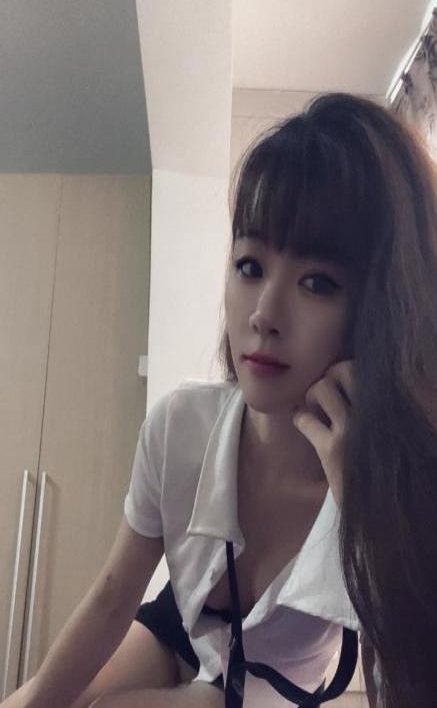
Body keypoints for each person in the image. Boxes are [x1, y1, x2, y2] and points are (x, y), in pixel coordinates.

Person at [3, 91, 436, 708]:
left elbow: (409, 679)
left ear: (383, 311)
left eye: (317, 282)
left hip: (266, 684)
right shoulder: (181, 425)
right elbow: (112, 596)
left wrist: (363, 502)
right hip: (180, 625)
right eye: (250, 266)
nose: (264, 314)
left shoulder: (399, 489)